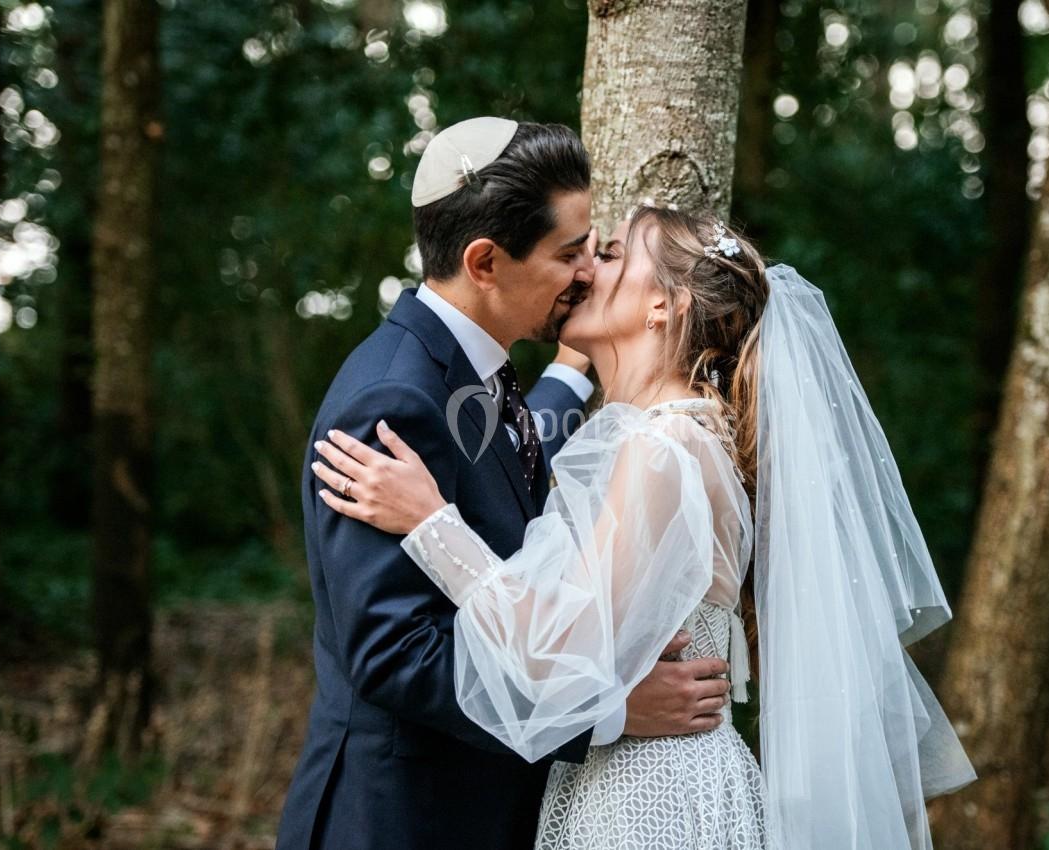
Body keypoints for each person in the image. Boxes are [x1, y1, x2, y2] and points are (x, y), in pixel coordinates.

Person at [313, 206, 979, 849]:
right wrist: (577, 365)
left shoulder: (661, 451)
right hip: (638, 785)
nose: (584, 270)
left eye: (608, 254)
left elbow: (554, 650)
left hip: (649, 801)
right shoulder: (682, 436)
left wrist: (432, 524)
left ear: (663, 305)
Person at [276, 119, 731, 850]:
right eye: (570, 252)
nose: (587, 271)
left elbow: (508, 459)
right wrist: (608, 713)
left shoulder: (472, 368)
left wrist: (579, 366)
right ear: (486, 261)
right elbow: (399, 655)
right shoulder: (391, 402)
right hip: (405, 820)